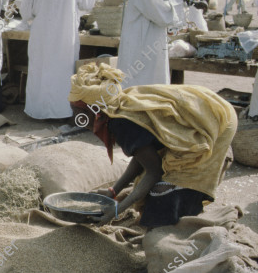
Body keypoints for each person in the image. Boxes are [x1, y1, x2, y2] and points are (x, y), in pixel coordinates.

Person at [68, 63, 237, 228]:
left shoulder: (120, 122)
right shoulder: (114, 109)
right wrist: (113, 191)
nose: (75, 118)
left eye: (77, 112)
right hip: (205, 113)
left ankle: (190, 219)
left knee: (162, 208)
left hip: (215, 122)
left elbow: (153, 171)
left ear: (94, 111)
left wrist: (117, 210)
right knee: (150, 202)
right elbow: (142, 156)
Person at [20, 0, 95, 120]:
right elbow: (88, 3)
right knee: (62, 72)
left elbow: (26, 11)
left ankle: (39, 111)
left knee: (41, 71)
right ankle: (62, 112)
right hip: (64, 33)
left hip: (43, 32)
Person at [117, 0, 187, 88]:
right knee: (140, 79)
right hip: (142, 39)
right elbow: (158, 11)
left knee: (151, 77)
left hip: (151, 35)